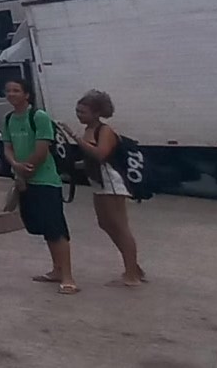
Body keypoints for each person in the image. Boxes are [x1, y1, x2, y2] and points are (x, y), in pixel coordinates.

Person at [3, 78, 76, 294]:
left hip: (45, 181)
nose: (11, 94)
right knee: (43, 228)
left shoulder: (38, 117)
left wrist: (28, 168)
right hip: (25, 181)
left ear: (27, 94)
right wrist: (16, 166)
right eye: (8, 91)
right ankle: (56, 270)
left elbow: (43, 148)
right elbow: (7, 147)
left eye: (16, 90)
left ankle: (68, 277)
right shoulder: (8, 119)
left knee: (56, 228)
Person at [75, 89, 145, 287]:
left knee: (120, 226)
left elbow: (101, 154)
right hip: (98, 181)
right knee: (105, 223)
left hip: (111, 182)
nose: (79, 115)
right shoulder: (89, 129)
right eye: (78, 111)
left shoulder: (104, 130)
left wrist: (76, 140)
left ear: (97, 113)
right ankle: (133, 266)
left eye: (83, 112)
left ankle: (131, 274)